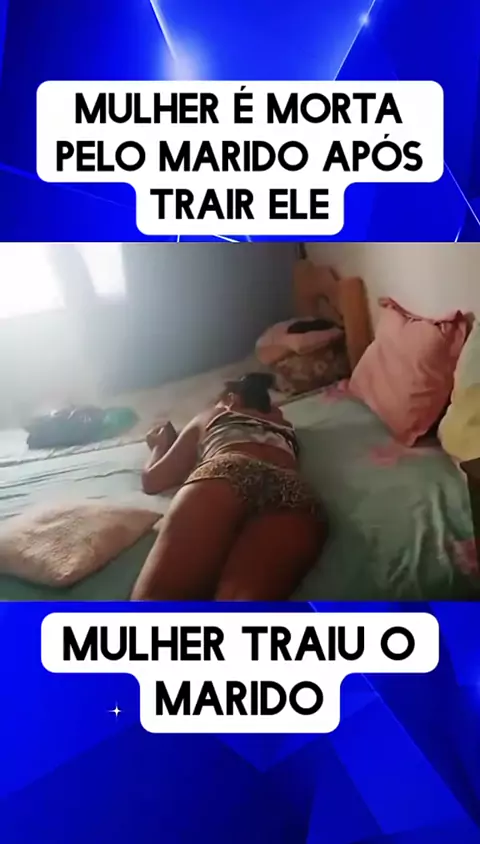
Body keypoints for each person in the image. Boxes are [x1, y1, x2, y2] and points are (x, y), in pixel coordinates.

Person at [131, 373, 327, 601]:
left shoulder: (213, 414)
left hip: (228, 469)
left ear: (231, 399)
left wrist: (159, 445)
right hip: (293, 489)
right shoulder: (285, 425)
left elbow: (153, 480)